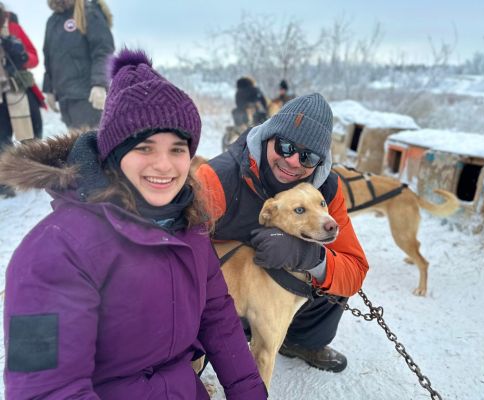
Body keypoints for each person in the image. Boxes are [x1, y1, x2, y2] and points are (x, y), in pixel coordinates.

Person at [0, 48, 267, 399]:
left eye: (177, 149)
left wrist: (249, 392)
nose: (164, 165)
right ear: (114, 154)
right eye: (144, 147)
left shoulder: (189, 225)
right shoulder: (53, 250)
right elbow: (46, 390)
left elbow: (217, 316)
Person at [196, 93, 369, 373]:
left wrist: (309, 256)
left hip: (281, 291)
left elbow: (355, 269)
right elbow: (174, 250)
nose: (292, 161)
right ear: (268, 137)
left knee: (333, 278)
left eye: (308, 156)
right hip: (221, 292)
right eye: (285, 146)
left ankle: (301, 340)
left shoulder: (327, 190)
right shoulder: (219, 178)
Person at [43, 0, 114, 129]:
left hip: (88, 96)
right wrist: (49, 90)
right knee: (76, 145)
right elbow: (48, 58)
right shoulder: (52, 21)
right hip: (65, 98)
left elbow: (103, 50)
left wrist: (100, 84)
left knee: (92, 145)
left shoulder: (89, 12)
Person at [0, 3, 45, 198]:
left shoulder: (13, 26)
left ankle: (37, 173)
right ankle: (4, 182)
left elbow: (34, 58)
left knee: (32, 133)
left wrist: (21, 55)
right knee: (1, 140)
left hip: (20, 89)